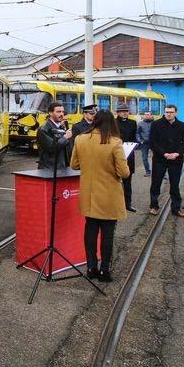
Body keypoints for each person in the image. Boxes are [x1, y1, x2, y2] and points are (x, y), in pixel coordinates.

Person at [70, 109, 130, 282]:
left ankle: (90, 267)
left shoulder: (80, 139)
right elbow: (124, 173)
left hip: (89, 193)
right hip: (109, 194)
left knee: (90, 230)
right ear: (112, 123)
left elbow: (74, 165)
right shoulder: (115, 142)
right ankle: (104, 270)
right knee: (108, 233)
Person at [149, 104, 184, 218]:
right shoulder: (156, 124)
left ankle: (176, 208)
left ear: (176, 113)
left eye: (171, 112)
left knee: (175, 184)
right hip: (159, 159)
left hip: (176, 159)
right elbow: (153, 142)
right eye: (167, 112)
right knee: (156, 183)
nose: (168, 114)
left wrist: (177, 153)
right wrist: (164, 153)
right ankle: (154, 206)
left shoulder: (181, 125)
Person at [36, 101, 73, 170]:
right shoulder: (44, 129)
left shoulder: (61, 127)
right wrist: (65, 137)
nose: (62, 114)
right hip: (50, 169)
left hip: (63, 167)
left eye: (63, 112)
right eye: (58, 112)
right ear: (50, 113)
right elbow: (52, 148)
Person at [116, 103, 137, 213]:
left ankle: (128, 203)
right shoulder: (114, 123)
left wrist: (132, 145)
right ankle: (116, 203)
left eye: (127, 111)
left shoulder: (133, 123)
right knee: (115, 181)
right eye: (122, 111)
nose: (125, 113)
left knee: (128, 181)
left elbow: (134, 137)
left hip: (129, 154)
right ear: (118, 112)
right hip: (116, 153)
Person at [136, 111, 154, 176]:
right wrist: (139, 140)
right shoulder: (140, 124)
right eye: (145, 114)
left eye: (148, 114)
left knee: (157, 157)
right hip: (144, 143)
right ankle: (148, 171)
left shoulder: (155, 123)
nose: (146, 116)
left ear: (151, 115)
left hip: (153, 143)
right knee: (144, 158)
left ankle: (158, 172)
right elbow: (137, 133)